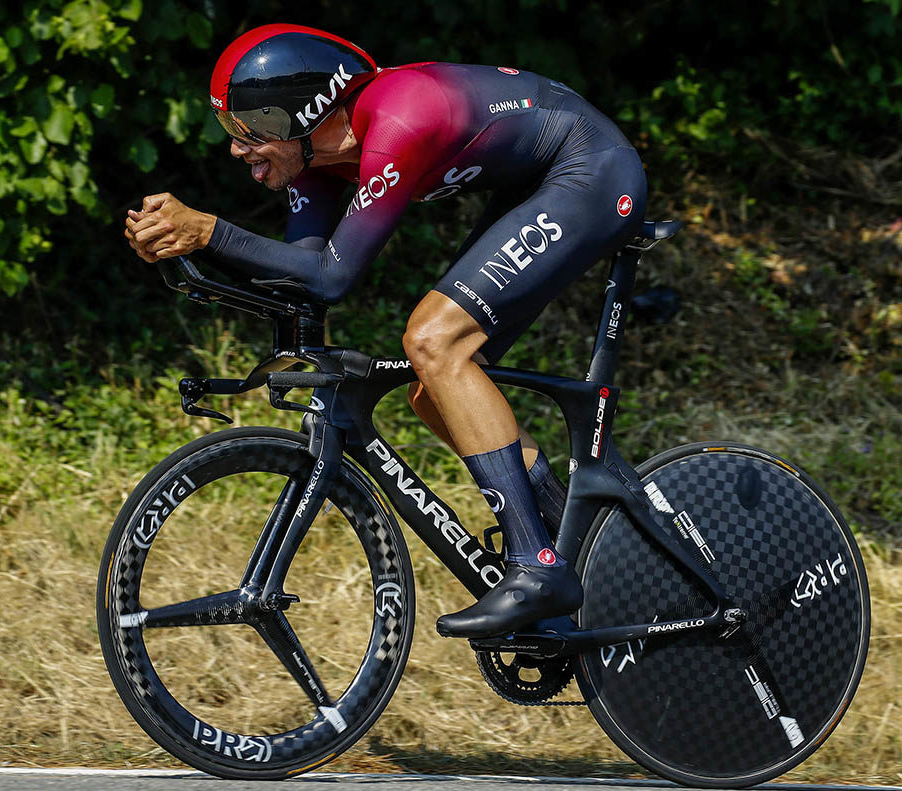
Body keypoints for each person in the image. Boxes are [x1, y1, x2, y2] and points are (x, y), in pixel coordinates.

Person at [124, 23, 647, 639]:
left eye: (252, 125)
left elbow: (331, 276)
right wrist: (188, 259)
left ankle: (537, 565)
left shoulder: (403, 119)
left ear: (308, 109)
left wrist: (210, 231)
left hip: (591, 169)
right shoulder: (317, 163)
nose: (239, 147)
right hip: (531, 186)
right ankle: (577, 546)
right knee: (436, 390)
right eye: (230, 129)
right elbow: (301, 283)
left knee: (433, 341)